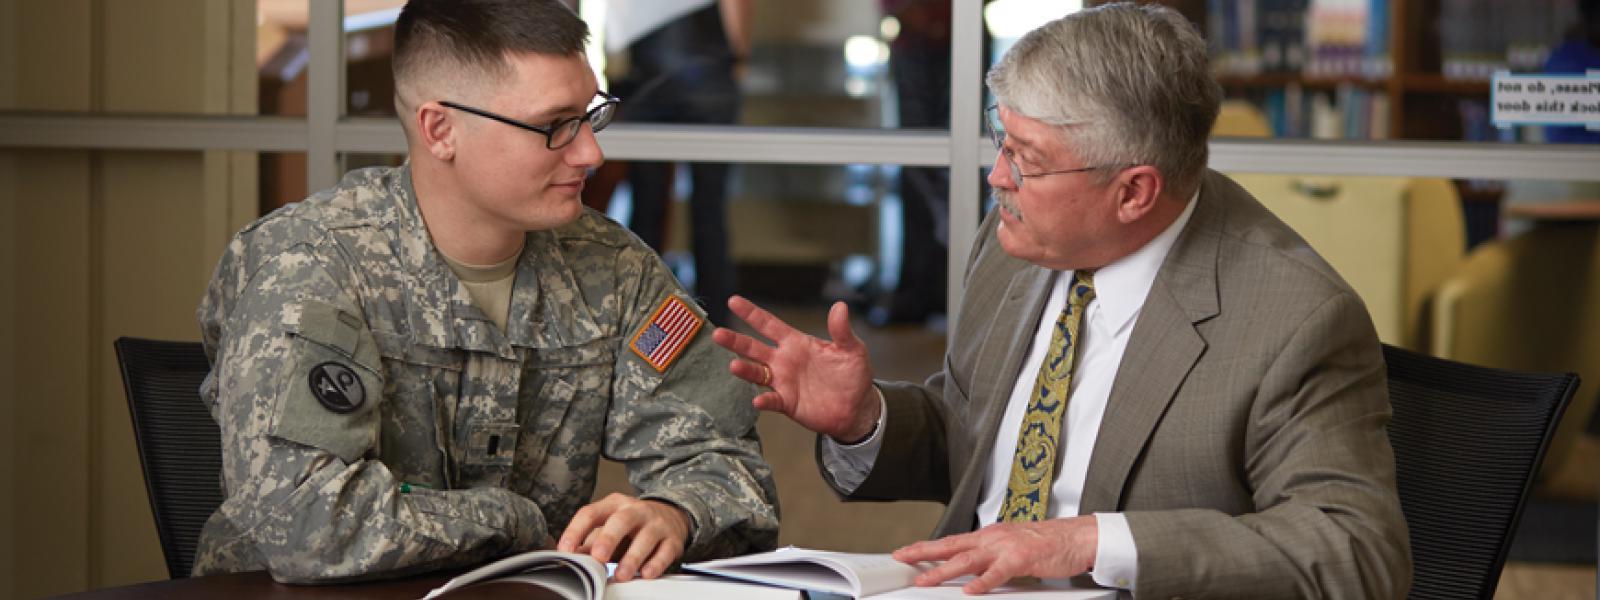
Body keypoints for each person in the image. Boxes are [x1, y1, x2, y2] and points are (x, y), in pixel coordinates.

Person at [714, 3, 1410, 597]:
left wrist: (1090, 543)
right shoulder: (1020, 241)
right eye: (1001, 140)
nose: (996, 176)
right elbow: (974, 440)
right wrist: (866, 419)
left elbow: (1357, 551)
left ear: (1134, 191)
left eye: (1027, 158)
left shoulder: (1294, 319)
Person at [192, 0, 777, 584]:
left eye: (589, 116)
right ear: (440, 129)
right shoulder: (309, 268)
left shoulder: (615, 269)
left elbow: (728, 465)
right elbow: (309, 526)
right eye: (554, 126)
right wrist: (515, 524)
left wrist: (674, 513)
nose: (590, 153)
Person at [606, 0, 751, 326]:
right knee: (710, 208)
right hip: (710, 70)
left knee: (647, 206)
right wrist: (738, 59)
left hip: (647, 71)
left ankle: (639, 315)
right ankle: (716, 322)